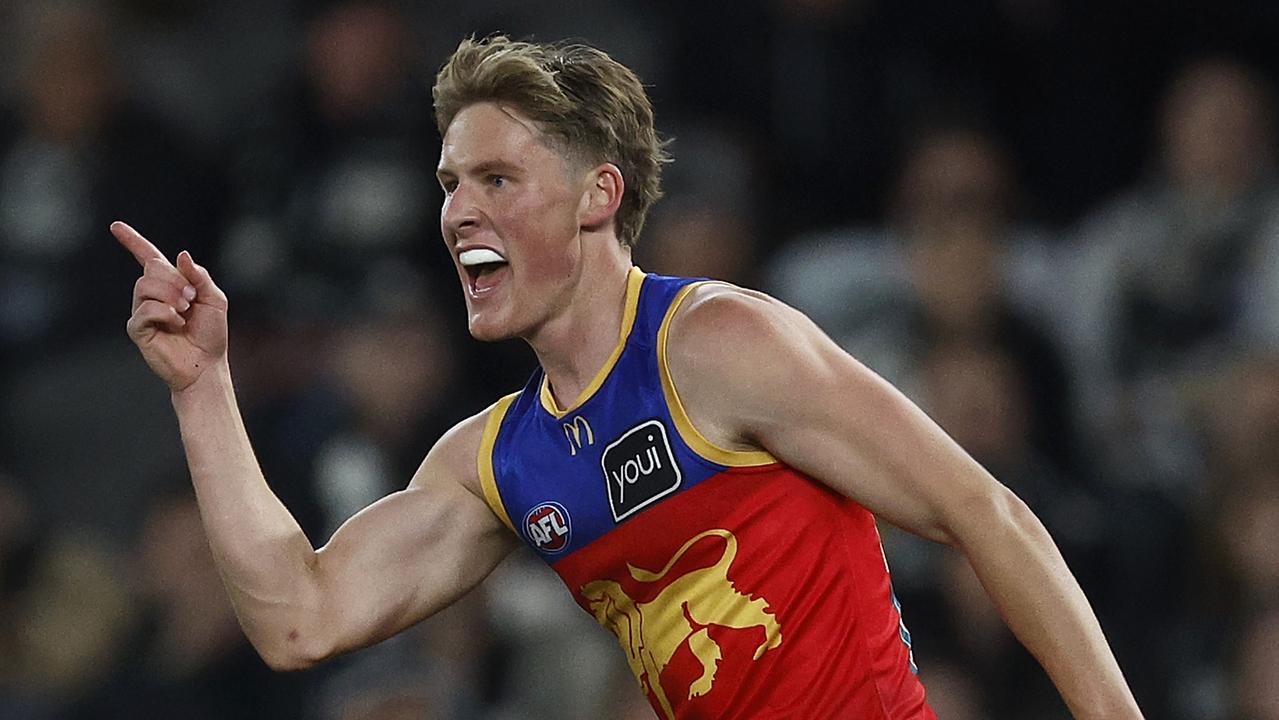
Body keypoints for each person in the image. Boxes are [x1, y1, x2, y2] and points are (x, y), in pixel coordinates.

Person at [113, 35, 1143, 719]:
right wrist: (203, 387)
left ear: (598, 195)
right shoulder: (493, 462)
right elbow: (301, 618)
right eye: (448, 185)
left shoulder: (716, 344)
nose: (456, 212)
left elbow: (986, 514)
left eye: (496, 180)